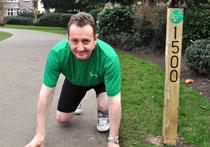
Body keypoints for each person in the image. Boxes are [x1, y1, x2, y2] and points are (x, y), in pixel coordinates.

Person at [25, 12, 121, 147]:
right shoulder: (57, 54)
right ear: (68, 38)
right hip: (75, 81)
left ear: (95, 39)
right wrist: (39, 135)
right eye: (74, 41)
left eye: (86, 41)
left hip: (101, 81)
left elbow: (115, 100)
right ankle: (78, 100)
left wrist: (113, 140)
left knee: (106, 105)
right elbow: (45, 94)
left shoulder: (109, 57)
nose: (80, 48)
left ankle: (102, 114)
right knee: (62, 119)